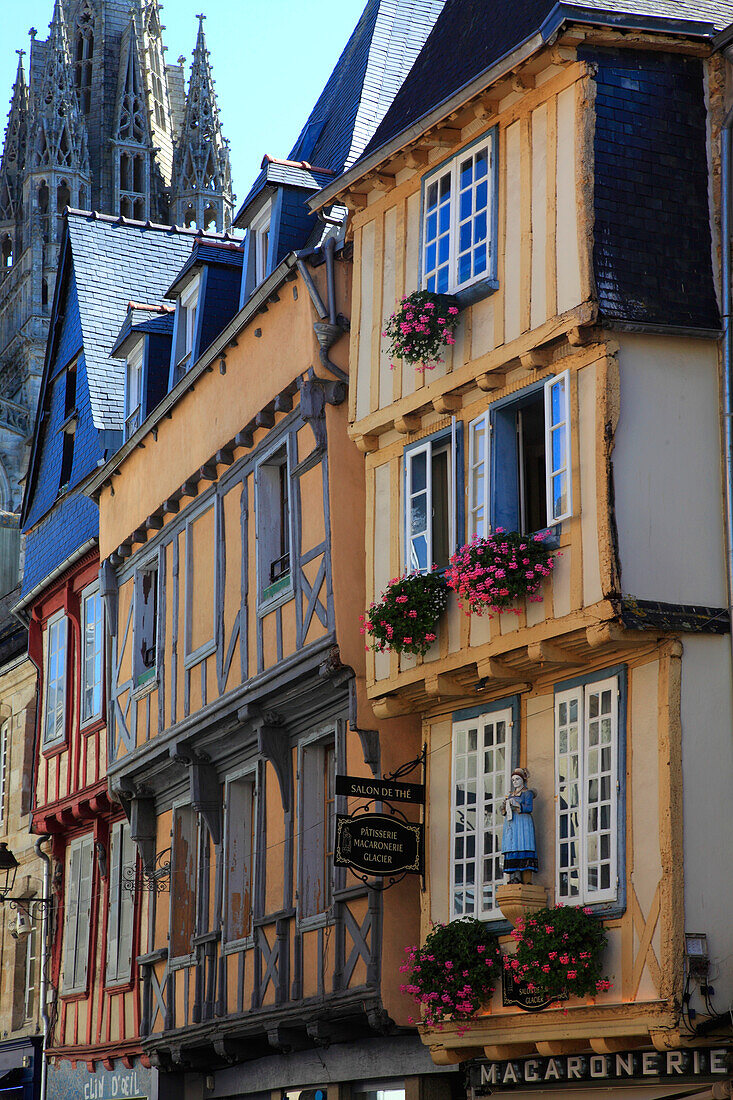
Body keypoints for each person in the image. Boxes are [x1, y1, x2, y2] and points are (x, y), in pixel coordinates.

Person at [500, 767, 538, 883]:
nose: (515, 782)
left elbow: (529, 808)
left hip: (523, 823)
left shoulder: (527, 793)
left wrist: (517, 805)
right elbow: (503, 810)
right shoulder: (510, 795)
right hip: (512, 823)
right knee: (513, 847)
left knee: (524, 845)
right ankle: (516, 877)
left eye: (517, 779)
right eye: (513, 780)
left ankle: (527, 879)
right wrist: (504, 807)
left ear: (523, 780)